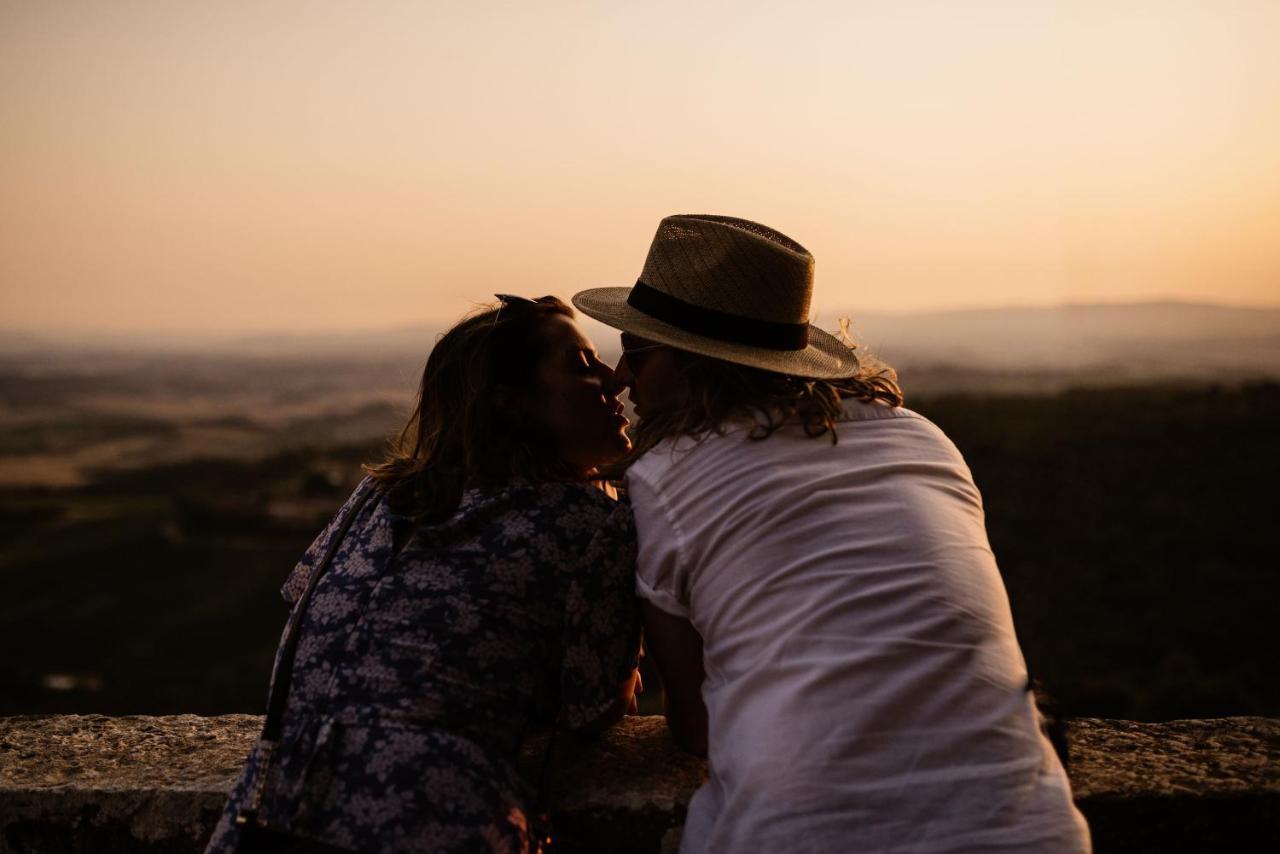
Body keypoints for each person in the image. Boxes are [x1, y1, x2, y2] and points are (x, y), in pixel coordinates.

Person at [574, 215, 1091, 853]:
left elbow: (696, 729)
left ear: (694, 364)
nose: (621, 376)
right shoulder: (922, 438)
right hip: (1036, 833)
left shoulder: (663, 478)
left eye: (636, 349)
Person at [205, 295, 642, 854]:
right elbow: (591, 708)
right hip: (434, 825)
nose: (614, 382)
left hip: (269, 822)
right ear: (512, 403)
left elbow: (321, 626)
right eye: (582, 367)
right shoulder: (592, 521)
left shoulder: (379, 495)